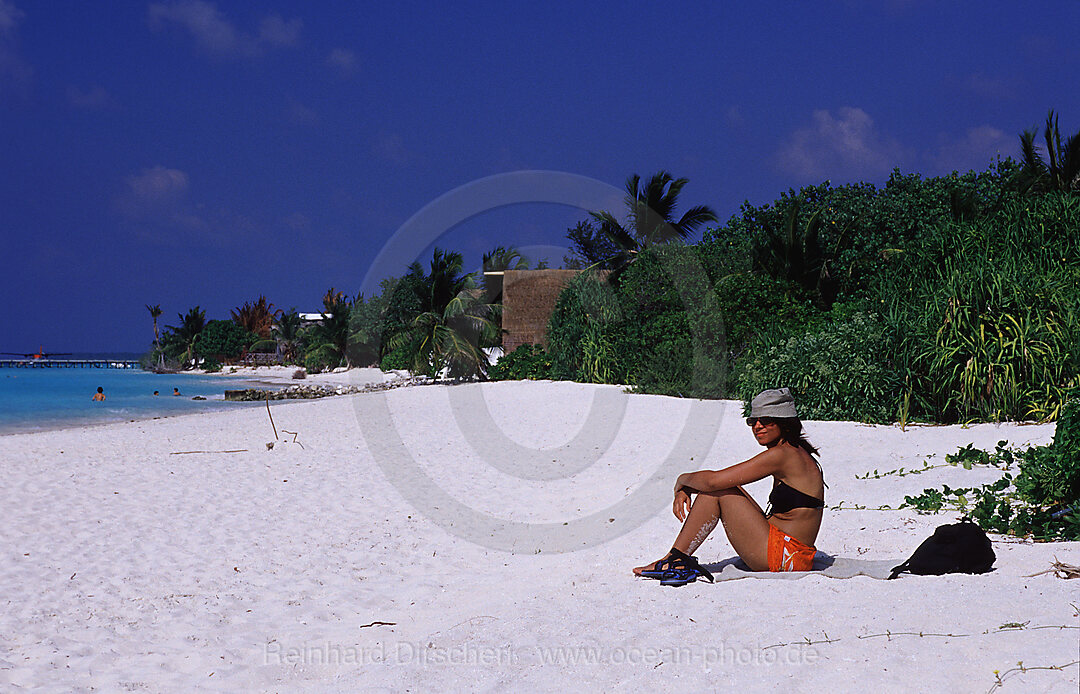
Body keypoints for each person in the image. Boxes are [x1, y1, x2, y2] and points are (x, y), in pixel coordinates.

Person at [633, 388, 824, 583]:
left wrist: (681, 481)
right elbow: (721, 481)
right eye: (752, 421)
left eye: (766, 420)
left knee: (717, 490)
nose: (757, 426)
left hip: (785, 557)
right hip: (789, 552)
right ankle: (675, 558)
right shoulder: (795, 451)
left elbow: (713, 481)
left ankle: (673, 559)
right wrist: (690, 487)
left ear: (785, 422)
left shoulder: (783, 455)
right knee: (724, 489)